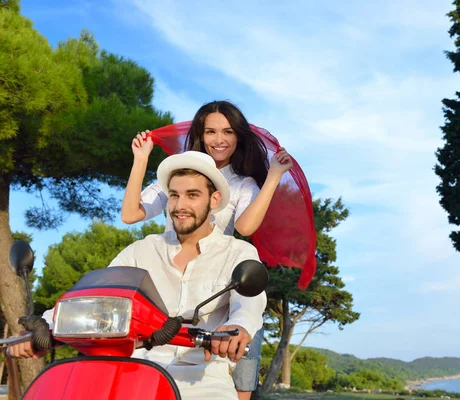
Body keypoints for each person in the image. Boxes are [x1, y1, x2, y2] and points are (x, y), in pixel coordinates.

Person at [9, 151, 267, 400]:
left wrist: (239, 326)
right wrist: (44, 328)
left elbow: (250, 303)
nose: (180, 205)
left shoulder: (237, 252)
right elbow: (96, 293)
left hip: (202, 378)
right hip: (136, 369)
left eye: (192, 195)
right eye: (174, 195)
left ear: (214, 200)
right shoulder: (141, 251)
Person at [121, 100, 292, 399]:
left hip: (218, 284)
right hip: (169, 279)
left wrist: (274, 176)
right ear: (200, 134)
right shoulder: (180, 172)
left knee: (240, 358)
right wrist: (140, 159)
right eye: (210, 131)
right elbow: (131, 214)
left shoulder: (242, 184)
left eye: (227, 131)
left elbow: (246, 227)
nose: (219, 139)